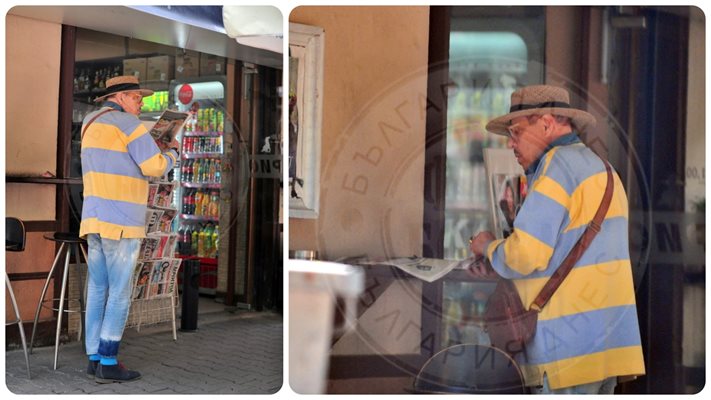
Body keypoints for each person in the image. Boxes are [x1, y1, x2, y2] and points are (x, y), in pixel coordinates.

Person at [468, 85, 645, 394]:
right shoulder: (605, 170)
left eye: (517, 131)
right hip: (608, 345)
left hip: (565, 350)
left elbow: (525, 255)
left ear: (547, 124)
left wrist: (486, 246)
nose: (511, 143)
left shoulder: (555, 168)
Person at [80, 75, 180, 383]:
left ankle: (94, 357)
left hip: (94, 217)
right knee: (120, 291)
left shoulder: (90, 122)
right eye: (137, 97)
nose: (141, 102)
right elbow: (154, 167)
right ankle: (109, 362)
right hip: (122, 220)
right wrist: (172, 152)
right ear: (122, 97)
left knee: (97, 288)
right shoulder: (129, 125)